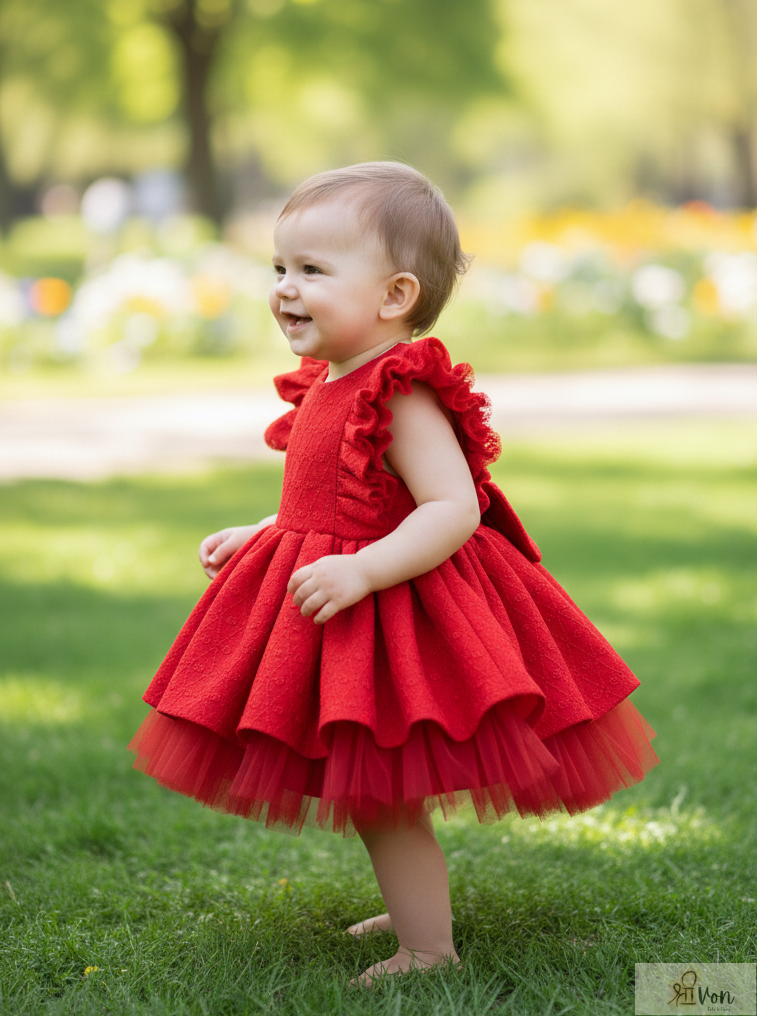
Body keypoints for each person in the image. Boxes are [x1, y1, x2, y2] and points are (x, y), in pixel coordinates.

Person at [129, 161, 659, 985]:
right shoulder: (328, 384)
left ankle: (426, 947)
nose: (284, 289)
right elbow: (332, 491)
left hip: (397, 616)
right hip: (348, 597)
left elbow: (451, 507)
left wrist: (367, 571)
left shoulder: (401, 391)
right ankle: (416, 907)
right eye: (279, 267)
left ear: (393, 295)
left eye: (311, 270)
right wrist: (263, 531)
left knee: (382, 792)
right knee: (381, 795)